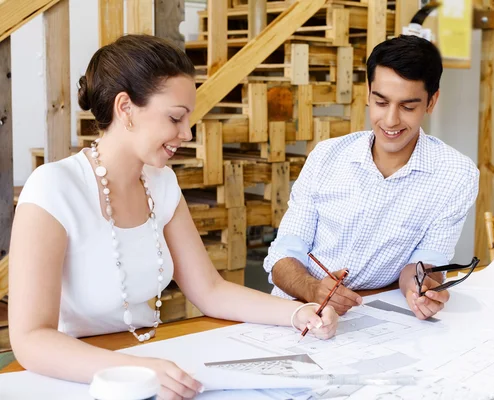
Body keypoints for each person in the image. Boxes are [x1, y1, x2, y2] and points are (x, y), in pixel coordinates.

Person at [8, 34, 338, 400]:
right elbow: (30, 339)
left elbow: (209, 291)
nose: (187, 134)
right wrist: (133, 370)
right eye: (175, 118)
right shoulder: (54, 187)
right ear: (126, 108)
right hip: (80, 376)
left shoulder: (161, 183)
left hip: (150, 360)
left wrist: (298, 313)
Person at [263, 35, 479, 321]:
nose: (390, 120)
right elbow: (283, 256)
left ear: (431, 101)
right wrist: (312, 288)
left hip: (377, 315)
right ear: (368, 93)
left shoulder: (456, 176)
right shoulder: (326, 156)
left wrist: (421, 288)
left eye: (408, 107)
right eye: (381, 102)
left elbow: (423, 265)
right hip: (298, 310)